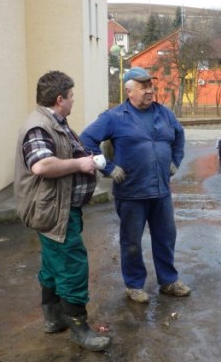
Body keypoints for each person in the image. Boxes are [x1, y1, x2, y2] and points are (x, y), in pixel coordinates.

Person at [14, 70, 110, 352]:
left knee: (53, 263)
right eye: (71, 96)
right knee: (71, 266)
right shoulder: (38, 127)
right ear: (60, 99)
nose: (73, 100)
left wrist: (84, 160)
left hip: (59, 206)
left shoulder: (55, 123)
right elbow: (41, 165)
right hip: (54, 210)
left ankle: (54, 319)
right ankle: (80, 329)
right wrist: (80, 165)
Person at [80, 67, 190, 304]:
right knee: (131, 242)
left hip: (161, 191)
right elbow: (86, 139)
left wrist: (175, 161)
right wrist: (107, 167)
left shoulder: (164, 113)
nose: (149, 91)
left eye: (151, 86)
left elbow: (179, 136)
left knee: (166, 237)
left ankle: (168, 280)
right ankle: (134, 285)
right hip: (131, 193)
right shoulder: (114, 117)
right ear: (129, 91)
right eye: (143, 87)